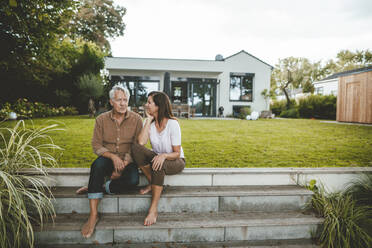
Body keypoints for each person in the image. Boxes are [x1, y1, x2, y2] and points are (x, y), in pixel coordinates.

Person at [79, 85, 143, 238]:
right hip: (108, 158)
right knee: (97, 165)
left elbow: (138, 145)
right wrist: (113, 158)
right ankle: (94, 215)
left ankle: (99, 187)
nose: (122, 103)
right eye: (118, 100)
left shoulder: (137, 119)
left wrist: (124, 163)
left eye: (125, 100)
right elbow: (96, 145)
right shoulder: (101, 119)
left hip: (128, 159)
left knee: (133, 180)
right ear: (111, 102)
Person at [131, 91, 185, 226]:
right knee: (135, 148)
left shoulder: (173, 124)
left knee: (158, 164)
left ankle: (153, 209)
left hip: (175, 160)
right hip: (158, 157)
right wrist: (148, 120)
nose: (146, 104)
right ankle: (153, 182)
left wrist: (164, 156)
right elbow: (141, 143)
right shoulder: (149, 122)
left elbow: (177, 153)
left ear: (159, 106)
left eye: (149, 102)